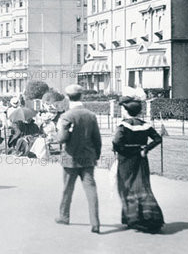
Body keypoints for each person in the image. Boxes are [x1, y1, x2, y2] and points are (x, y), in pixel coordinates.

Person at [55, 84, 102, 234]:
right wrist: (96, 155)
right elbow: (97, 139)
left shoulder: (67, 116)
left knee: (68, 189)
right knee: (91, 190)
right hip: (88, 159)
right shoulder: (91, 115)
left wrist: (62, 133)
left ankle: (64, 216)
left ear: (68, 97)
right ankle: (95, 222)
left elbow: (62, 139)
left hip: (70, 158)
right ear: (81, 96)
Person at [113, 96, 164, 233]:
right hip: (141, 158)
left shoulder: (123, 125)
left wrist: (121, 151)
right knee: (142, 186)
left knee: (126, 187)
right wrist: (145, 149)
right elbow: (158, 139)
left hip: (126, 161)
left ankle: (133, 218)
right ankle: (150, 217)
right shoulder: (145, 124)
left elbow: (116, 143)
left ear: (126, 111)